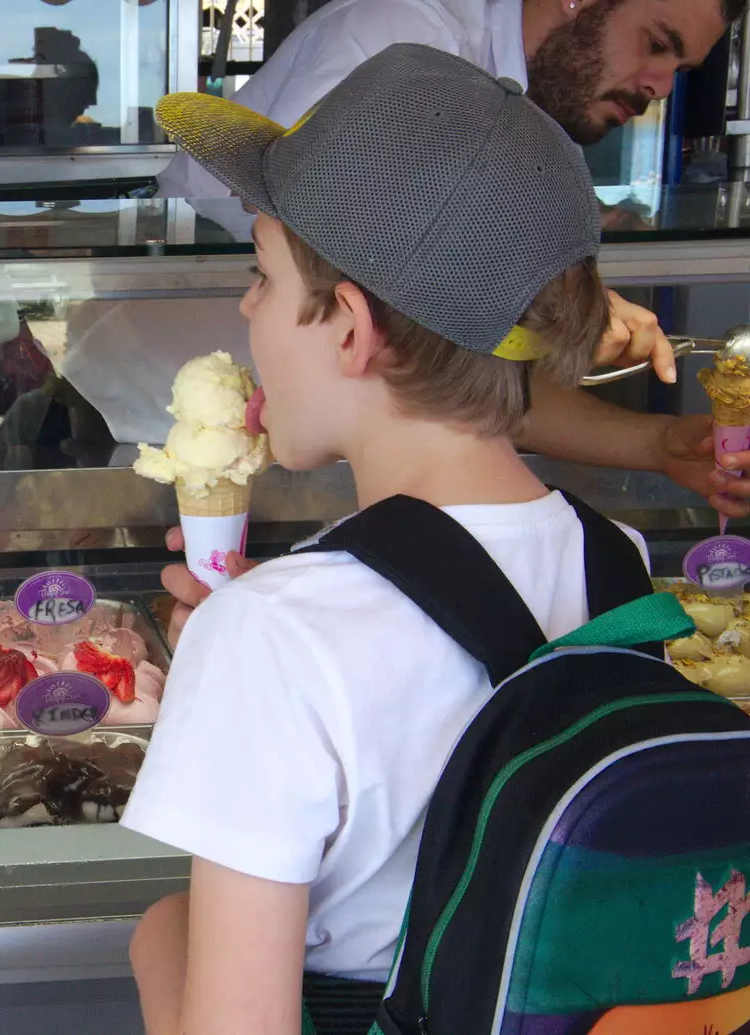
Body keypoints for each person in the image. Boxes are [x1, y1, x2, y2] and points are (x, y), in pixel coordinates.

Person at [124, 46, 644, 1034]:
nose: (245, 309)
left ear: (351, 330)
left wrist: (161, 940)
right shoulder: (616, 561)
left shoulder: (275, 633)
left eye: (260, 275)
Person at [159, 0, 750, 513]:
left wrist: (655, 443)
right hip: (169, 406)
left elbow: (453, 379)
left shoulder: (503, 123)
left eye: (680, 67)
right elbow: (421, 339)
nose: (662, 87)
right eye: (655, 44)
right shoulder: (402, 39)